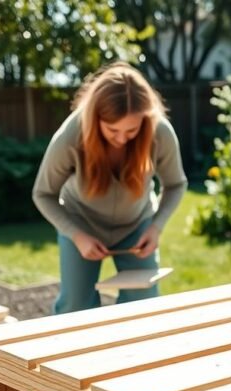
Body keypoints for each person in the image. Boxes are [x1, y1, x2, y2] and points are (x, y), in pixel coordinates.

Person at [32, 62, 187, 314]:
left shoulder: (160, 132)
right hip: (81, 225)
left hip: (136, 226)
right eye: (112, 129)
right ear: (95, 118)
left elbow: (176, 184)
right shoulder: (71, 135)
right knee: (75, 306)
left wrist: (156, 227)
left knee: (143, 305)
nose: (122, 138)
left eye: (132, 130)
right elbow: (43, 194)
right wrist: (77, 235)